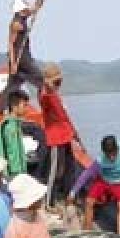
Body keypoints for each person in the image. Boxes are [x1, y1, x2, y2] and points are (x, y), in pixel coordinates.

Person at [0, 0, 50, 112]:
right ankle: (47, 105)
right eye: (24, 3)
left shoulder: (23, 17)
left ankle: (0, 110)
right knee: (40, 79)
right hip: (21, 57)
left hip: (24, 56)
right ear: (20, 7)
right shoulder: (16, 23)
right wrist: (13, 63)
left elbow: (36, 7)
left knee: (12, 85)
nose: (27, 5)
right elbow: (10, 44)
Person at [38, 61, 82, 205]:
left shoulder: (56, 96)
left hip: (66, 136)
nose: (58, 85)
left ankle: (68, 195)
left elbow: (65, 117)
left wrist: (75, 134)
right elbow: (44, 98)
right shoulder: (46, 96)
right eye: (56, 82)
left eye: (59, 82)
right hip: (56, 138)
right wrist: (47, 86)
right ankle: (48, 202)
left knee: (69, 168)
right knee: (55, 170)